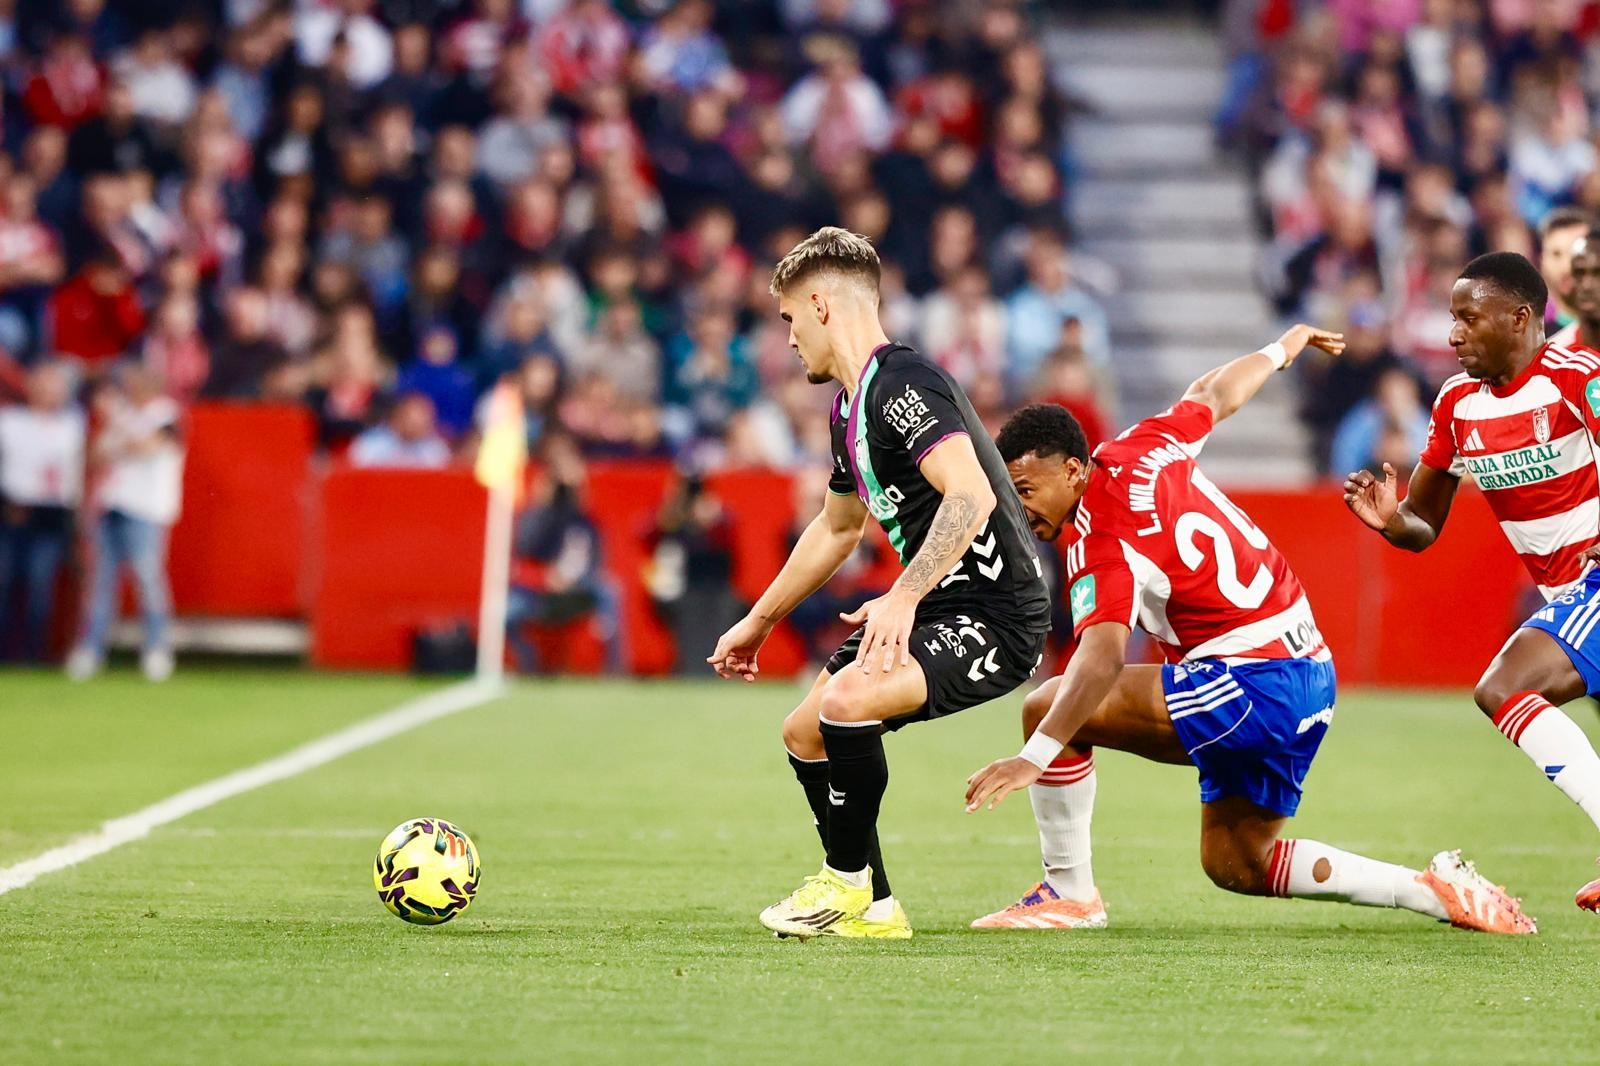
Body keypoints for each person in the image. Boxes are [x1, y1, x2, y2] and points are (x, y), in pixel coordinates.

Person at [964, 325, 1536, 936]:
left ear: (1074, 471)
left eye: (1024, 489)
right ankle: (1432, 891)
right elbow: (1214, 392)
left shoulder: (1100, 538)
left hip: (1253, 683)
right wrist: (1282, 349)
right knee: (1238, 862)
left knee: (1047, 705)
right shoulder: (1144, 444)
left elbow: (1101, 657)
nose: (1017, 507)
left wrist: (1036, 757)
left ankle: (1069, 894)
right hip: (1309, 675)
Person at [707, 227, 1052, 939]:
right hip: (940, 607)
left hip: (997, 616)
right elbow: (837, 530)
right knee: (805, 731)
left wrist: (903, 595)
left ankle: (844, 887)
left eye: (788, 318)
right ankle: (879, 907)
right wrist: (760, 621)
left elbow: (971, 496)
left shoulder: (903, 384)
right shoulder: (849, 408)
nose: (788, 337)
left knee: (846, 700)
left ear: (821, 304)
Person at [1343, 251, 1600, 913]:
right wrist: (1391, 523)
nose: (1453, 333)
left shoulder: (1579, 379)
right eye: (1451, 317)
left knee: (1503, 687)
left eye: (1468, 317)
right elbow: (1424, 520)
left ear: (1520, 319)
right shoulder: (1457, 403)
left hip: (1593, 585)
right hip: (1565, 594)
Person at [68, 363, 184, 682]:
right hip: (112, 504)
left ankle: (157, 648)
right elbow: (94, 456)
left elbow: (149, 446)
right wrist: (117, 427)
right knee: (100, 582)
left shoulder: (165, 413)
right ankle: (90, 648)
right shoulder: (123, 416)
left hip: (146, 509)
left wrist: (118, 425)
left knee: (148, 578)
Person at [0, 360, 84, 661]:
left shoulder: (72, 424)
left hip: (51, 514)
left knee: (39, 585)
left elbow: (75, 474)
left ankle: (33, 652)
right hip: (12, 511)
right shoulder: (10, 420)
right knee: (4, 581)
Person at [1539, 207, 1592, 346]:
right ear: (1542, 260)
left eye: (1576, 252)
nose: (1566, 267)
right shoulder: (1536, 343)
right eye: (1556, 254)